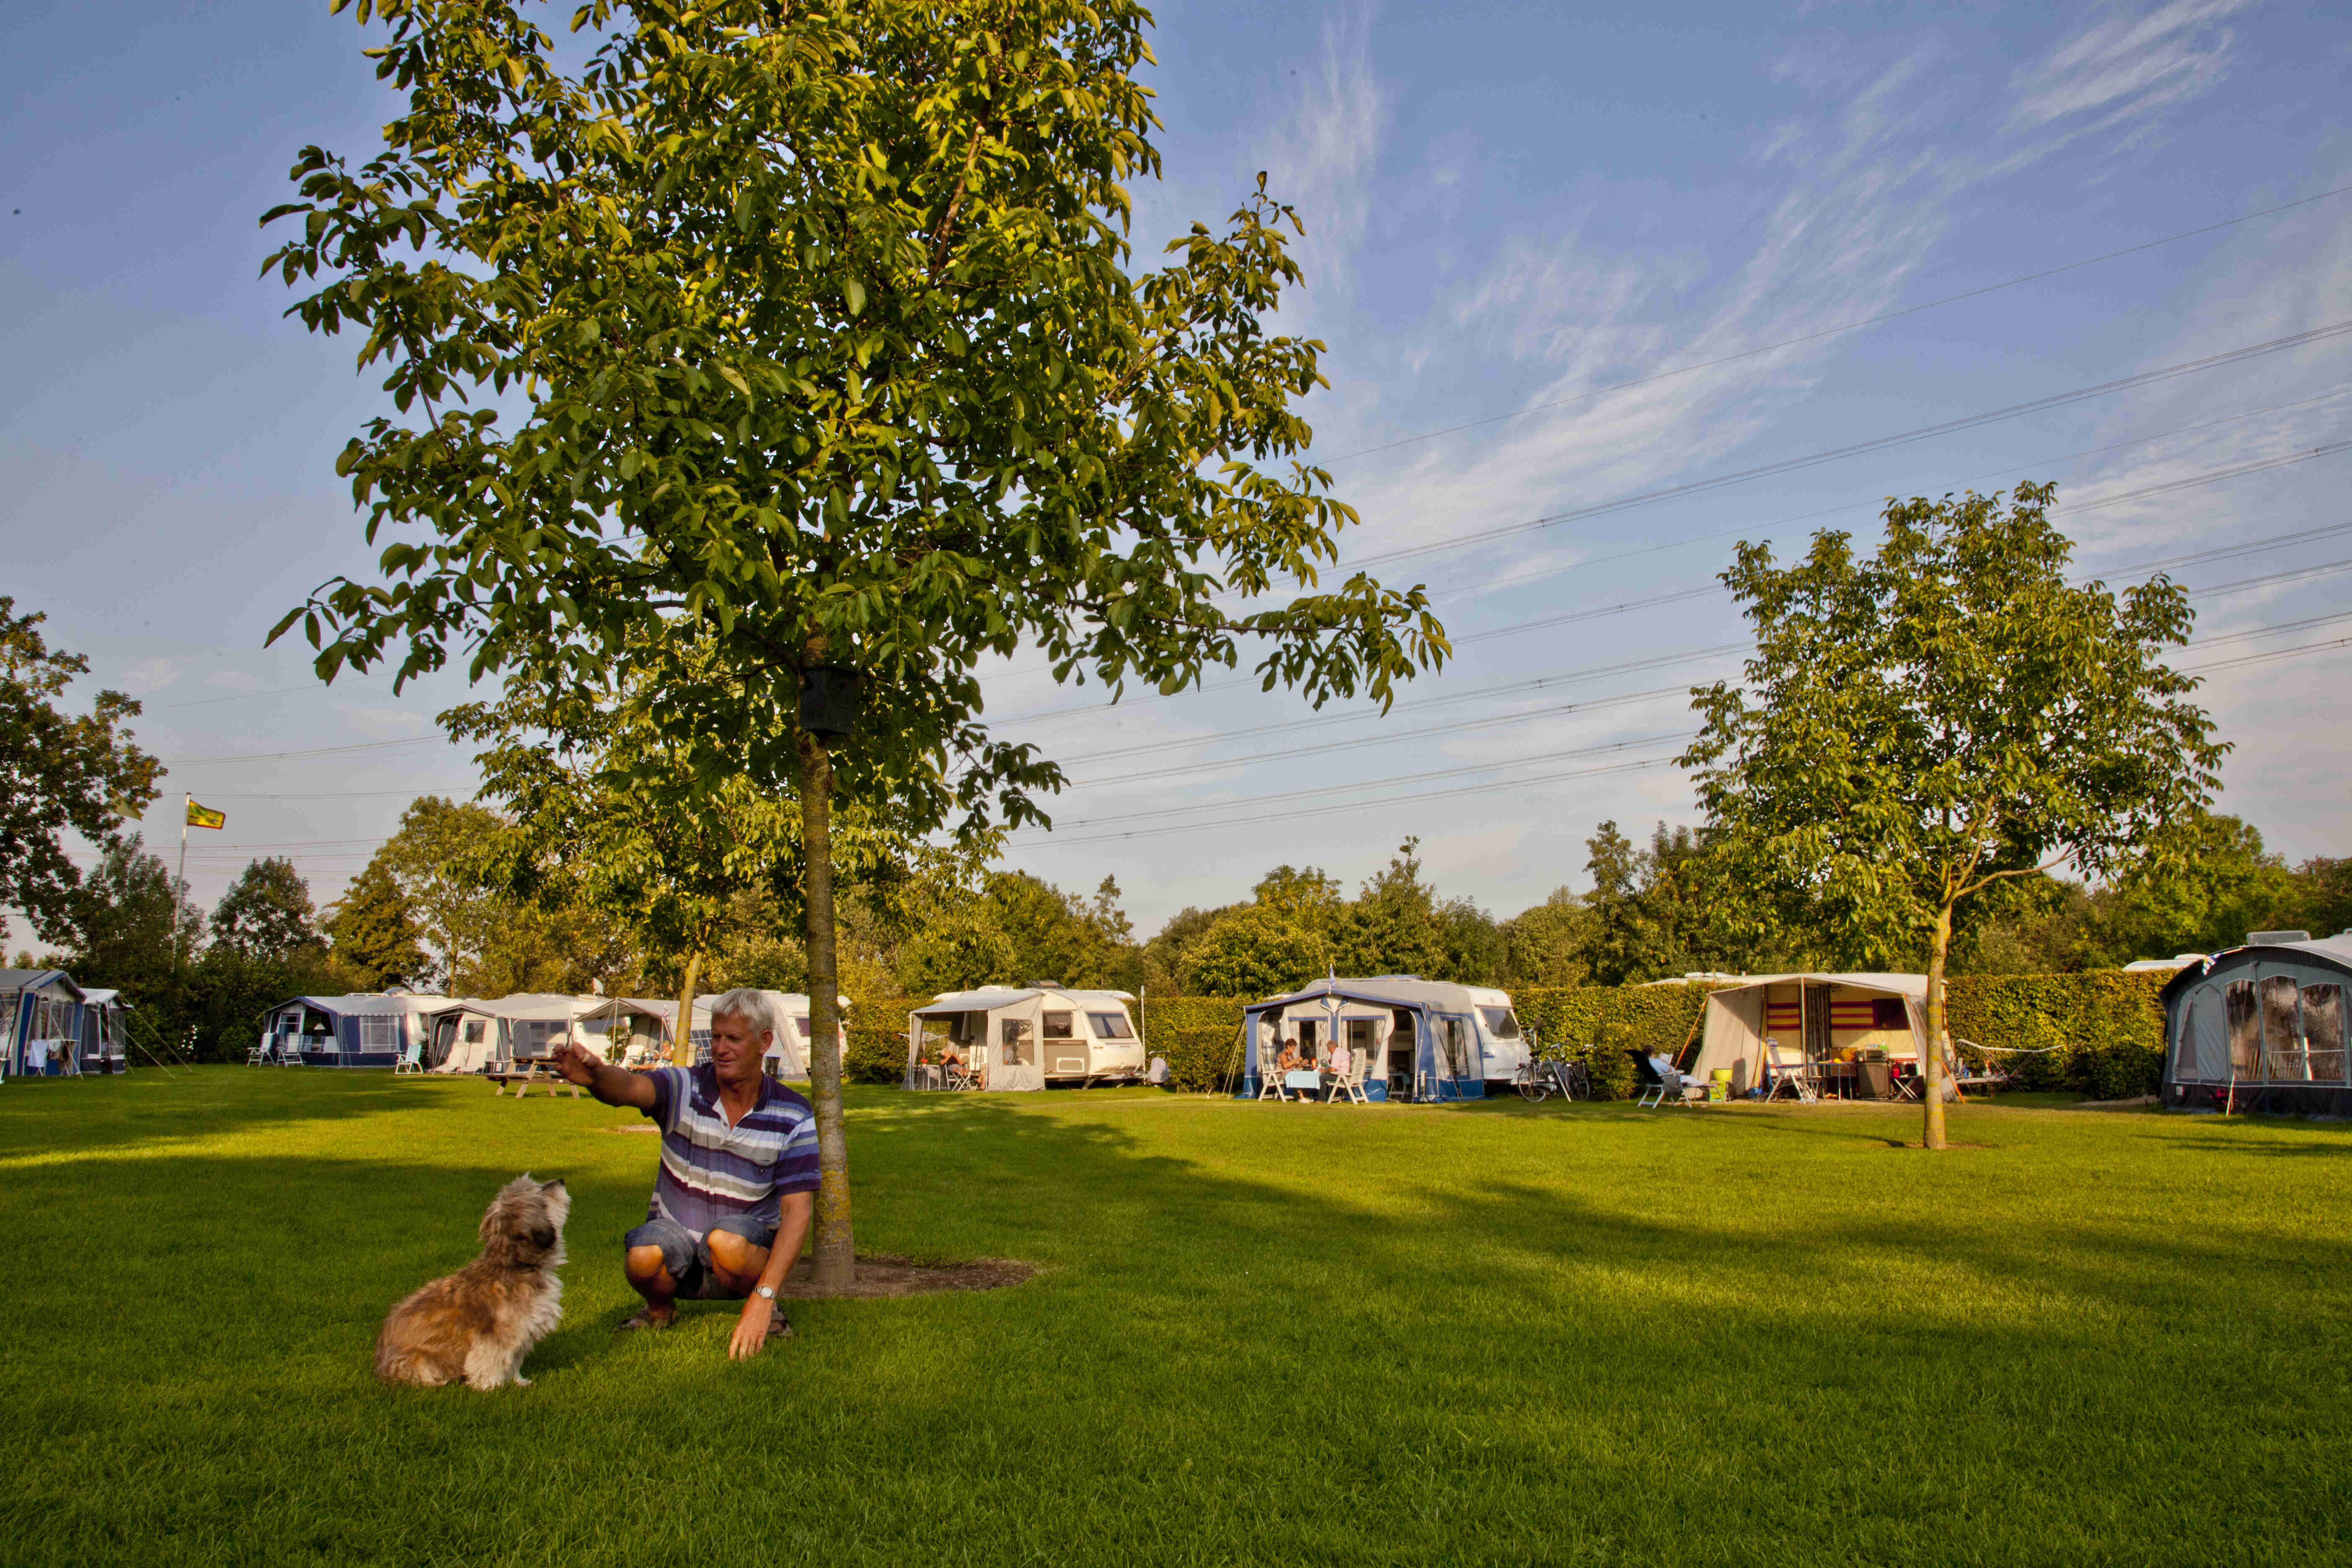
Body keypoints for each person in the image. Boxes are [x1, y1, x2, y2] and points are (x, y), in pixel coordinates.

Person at [553, 988, 818, 1359]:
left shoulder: (794, 1113)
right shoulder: (683, 1087)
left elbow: (798, 1214)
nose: (721, 1048)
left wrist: (764, 1295)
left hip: (740, 1257)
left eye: (734, 1039)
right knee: (642, 1255)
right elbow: (629, 1087)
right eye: (716, 1037)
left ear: (765, 1043)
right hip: (677, 1246)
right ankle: (660, 1310)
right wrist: (597, 1078)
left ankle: (766, 1309)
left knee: (729, 1242)